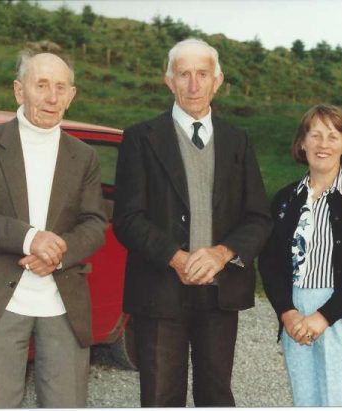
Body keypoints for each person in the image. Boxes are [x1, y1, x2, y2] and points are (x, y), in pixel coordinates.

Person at [113, 38, 272, 407]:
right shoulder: (140, 138)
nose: (194, 84)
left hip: (220, 294)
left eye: (203, 74)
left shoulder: (239, 140)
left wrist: (222, 253)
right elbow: (127, 218)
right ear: (169, 81)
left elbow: (259, 218)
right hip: (158, 292)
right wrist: (176, 257)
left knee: (216, 396)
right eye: (184, 74)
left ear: (218, 80)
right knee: (160, 397)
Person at [0, 52, 108, 408]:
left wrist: (58, 251)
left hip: (63, 303)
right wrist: (30, 238)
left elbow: (95, 223)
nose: (51, 97)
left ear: (71, 95)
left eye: (60, 87)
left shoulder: (83, 156)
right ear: (20, 91)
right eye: (41, 85)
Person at [259, 104, 342, 406]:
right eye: (314, 135)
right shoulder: (285, 199)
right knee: (307, 400)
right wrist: (287, 312)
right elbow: (270, 263)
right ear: (302, 143)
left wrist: (324, 316)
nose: (322, 144)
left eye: (332, 136)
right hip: (297, 314)